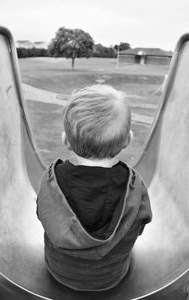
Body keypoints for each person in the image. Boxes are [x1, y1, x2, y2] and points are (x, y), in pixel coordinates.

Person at [36, 84, 152, 291]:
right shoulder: (134, 187)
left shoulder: (51, 180)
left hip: (59, 270)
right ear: (128, 140)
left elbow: (42, 213)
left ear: (66, 141)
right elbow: (141, 225)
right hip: (110, 276)